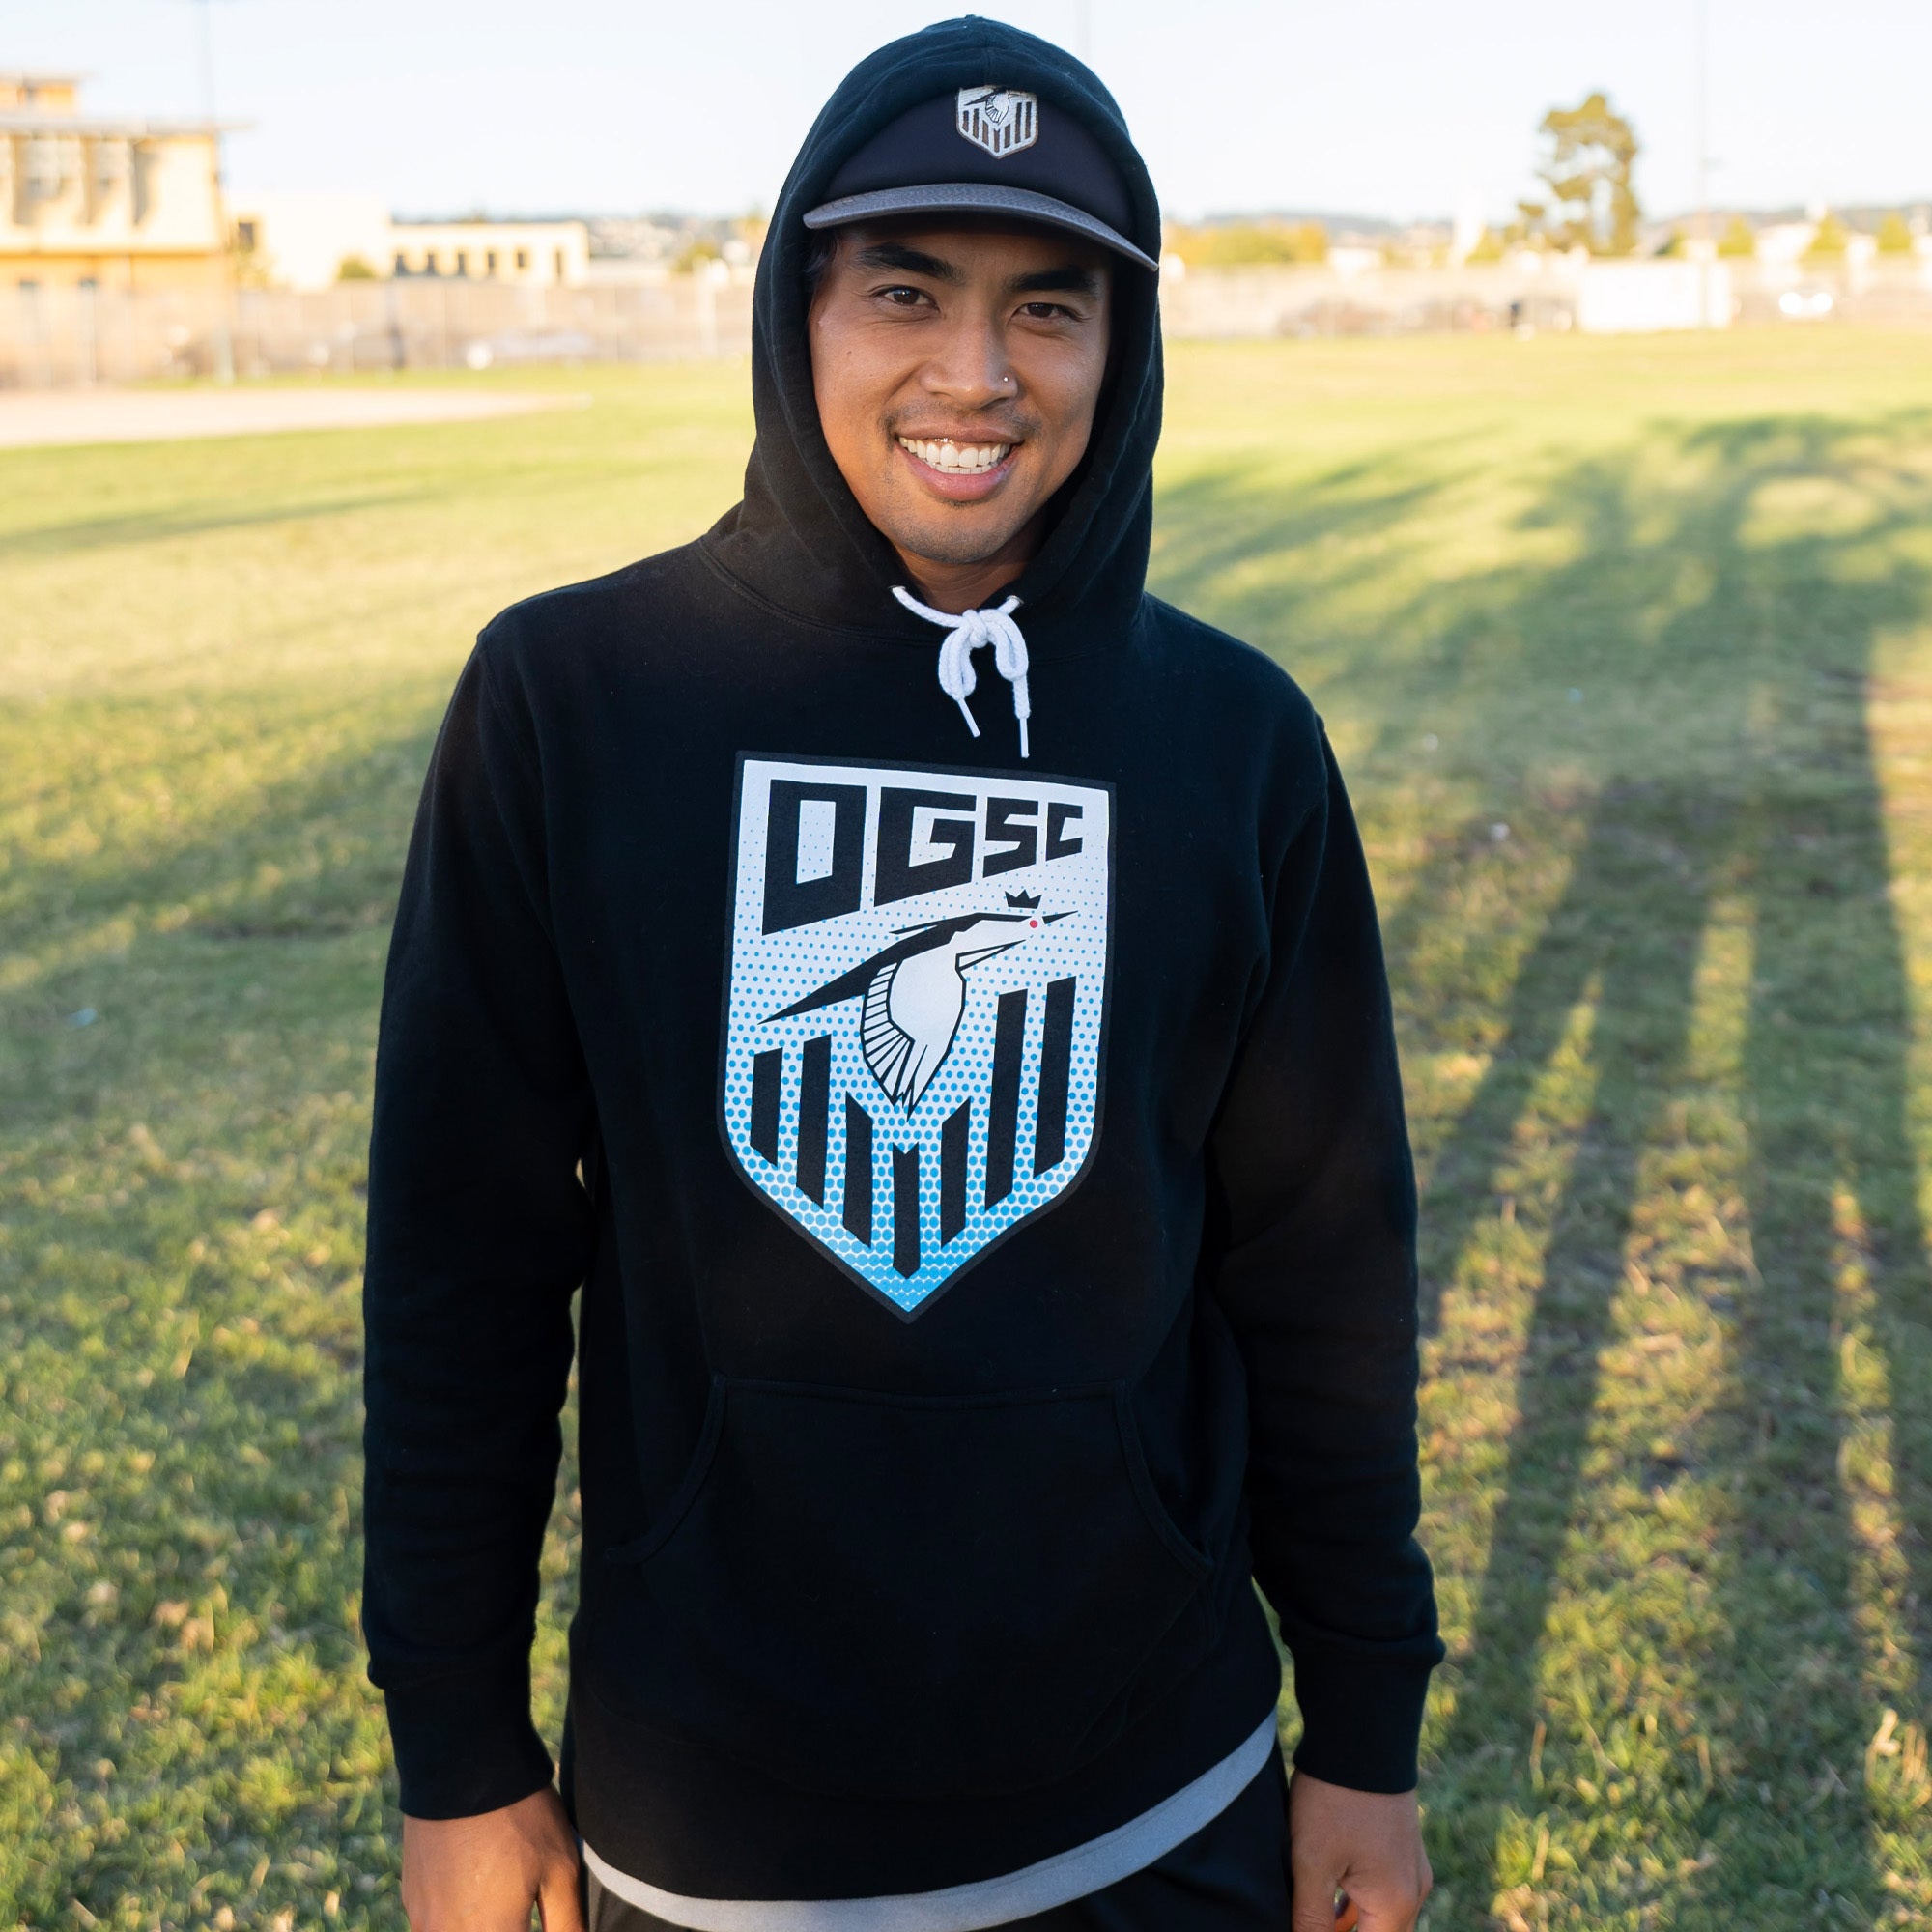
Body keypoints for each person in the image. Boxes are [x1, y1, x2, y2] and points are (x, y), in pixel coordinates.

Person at [362, 18, 1442, 1932]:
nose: (974, 371)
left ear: (1125, 349)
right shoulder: (572, 705)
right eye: (904, 292)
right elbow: (462, 1266)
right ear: (797, 312)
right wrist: (458, 1745)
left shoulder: (1233, 740)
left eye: (1048, 306)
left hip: (1154, 1799)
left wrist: (1362, 1728)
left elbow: (1320, 1264)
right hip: (717, 1831)